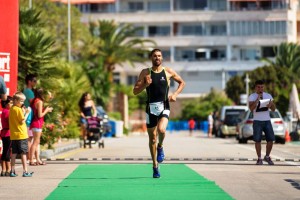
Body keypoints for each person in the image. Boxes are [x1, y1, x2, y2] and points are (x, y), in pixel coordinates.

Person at [133, 48, 185, 178]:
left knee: (161, 130)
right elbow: (135, 91)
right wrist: (145, 84)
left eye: (159, 56)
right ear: (151, 58)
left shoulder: (168, 72)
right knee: (152, 139)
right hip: (150, 108)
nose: (157, 58)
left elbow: (182, 82)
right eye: (155, 56)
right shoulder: (145, 73)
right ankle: (155, 166)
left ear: (162, 58)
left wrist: (175, 94)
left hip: (164, 106)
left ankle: (160, 147)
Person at [248, 80, 276, 165]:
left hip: (267, 120)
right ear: (255, 87)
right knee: (257, 140)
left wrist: (271, 105)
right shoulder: (252, 96)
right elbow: (251, 109)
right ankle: (259, 158)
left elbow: (274, 109)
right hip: (257, 121)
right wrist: (257, 100)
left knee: (271, 139)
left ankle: (267, 156)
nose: (260, 89)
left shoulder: (268, 95)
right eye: (259, 87)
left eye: (262, 87)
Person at [9, 92, 33, 177]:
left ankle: (12, 171)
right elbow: (22, 121)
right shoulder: (18, 109)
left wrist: (23, 111)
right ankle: (25, 171)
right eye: (21, 101)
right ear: (15, 100)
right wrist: (27, 113)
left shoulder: (12, 109)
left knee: (14, 153)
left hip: (14, 135)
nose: (22, 103)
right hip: (21, 134)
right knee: (23, 153)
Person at [29, 88, 53, 166]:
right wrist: (47, 110)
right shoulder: (39, 102)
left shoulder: (34, 100)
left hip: (34, 123)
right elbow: (40, 115)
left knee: (36, 142)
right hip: (37, 123)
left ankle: (37, 159)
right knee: (35, 142)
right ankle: (31, 160)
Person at [23, 74, 37, 161]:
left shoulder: (27, 91)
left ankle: (30, 156)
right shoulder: (28, 91)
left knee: (30, 137)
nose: (36, 83)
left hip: (29, 115)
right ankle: (29, 157)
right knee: (29, 137)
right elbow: (34, 103)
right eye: (34, 81)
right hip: (28, 116)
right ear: (29, 81)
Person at [0, 96, 12, 176]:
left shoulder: (3, 111)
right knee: (7, 152)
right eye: (11, 103)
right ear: (6, 104)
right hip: (8, 132)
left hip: (4, 132)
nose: (12, 104)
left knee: (5, 151)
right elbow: (10, 123)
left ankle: (3, 170)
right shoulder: (8, 112)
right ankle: (8, 169)